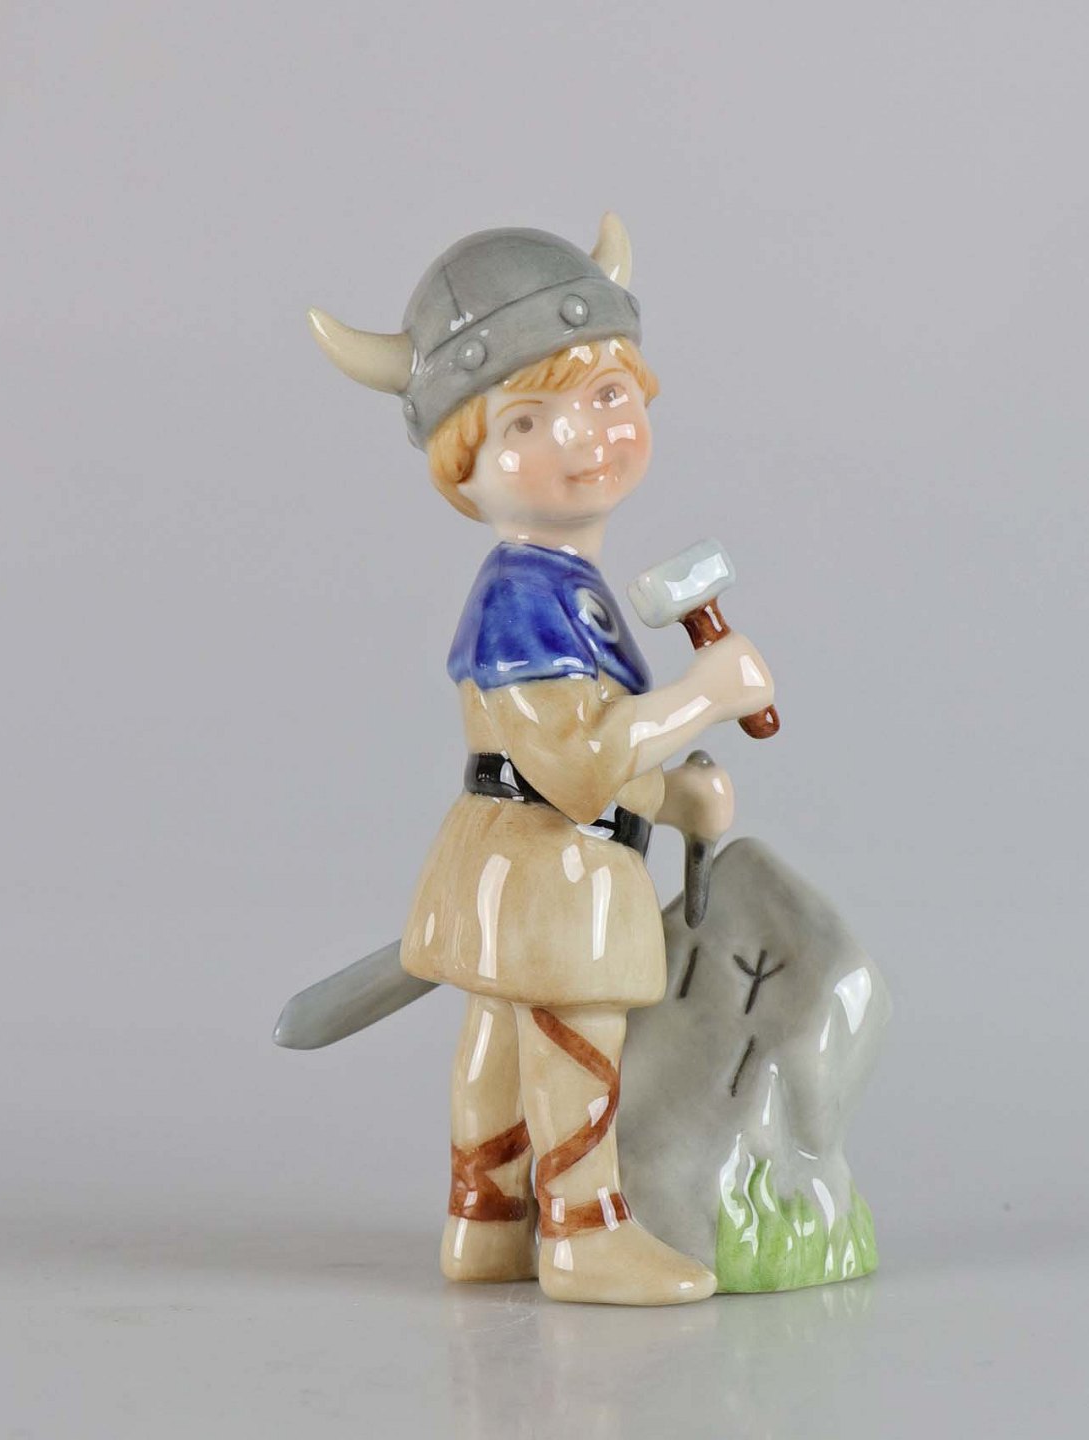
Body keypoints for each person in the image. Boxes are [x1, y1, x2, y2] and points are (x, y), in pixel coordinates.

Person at [308, 216, 774, 1305]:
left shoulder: (560, 587)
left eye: (607, 396)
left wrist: (674, 797)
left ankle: (488, 1222)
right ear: (460, 466)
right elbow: (576, 767)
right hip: (552, 866)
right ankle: (582, 1231)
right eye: (528, 419)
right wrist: (705, 696)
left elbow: (582, 748)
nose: (583, 437)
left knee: (502, 1026)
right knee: (571, 1033)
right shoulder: (526, 598)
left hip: (509, 850)